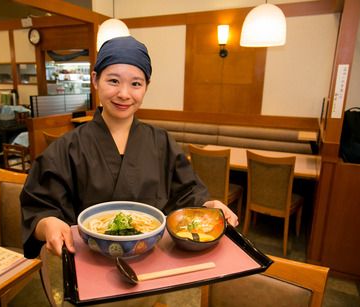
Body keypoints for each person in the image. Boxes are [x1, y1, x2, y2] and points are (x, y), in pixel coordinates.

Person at [20, 35, 238, 259]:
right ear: (95, 80)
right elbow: (38, 209)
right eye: (113, 81)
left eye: (135, 83)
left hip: (152, 259)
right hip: (89, 261)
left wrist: (210, 205)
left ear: (146, 86)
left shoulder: (161, 142)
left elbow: (189, 194)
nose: (124, 94)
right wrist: (48, 224)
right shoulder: (66, 148)